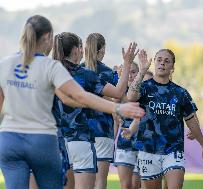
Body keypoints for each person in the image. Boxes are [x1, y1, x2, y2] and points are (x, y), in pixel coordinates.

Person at [0, 15, 144, 189]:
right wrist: (118, 107)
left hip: (9, 140)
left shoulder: (5, 64)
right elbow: (78, 97)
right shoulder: (51, 67)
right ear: (47, 38)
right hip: (42, 139)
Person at [52, 32, 138, 189]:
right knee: (99, 182)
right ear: (77, 50)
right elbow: (120, 92)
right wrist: (127, 64)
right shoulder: (85, 74)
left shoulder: (48, 71)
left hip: (56, 140)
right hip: (82, 138)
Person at [126, 49, 203, 189]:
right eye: (159, 60)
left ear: (172, 67)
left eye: (167, 61)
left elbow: (192, 122)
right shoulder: (145, 88)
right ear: (154, 63)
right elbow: (130, 97)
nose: (162, 63)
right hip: (148, 150)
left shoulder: (181, 93)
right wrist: (141, 71)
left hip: (173, 150)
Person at [84, 33, 133, 189]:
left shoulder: (77, 70)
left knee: (82, 179)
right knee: (100, 180)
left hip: (80, 130)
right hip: (103, 130)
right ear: (103, 49)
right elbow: (123, 94)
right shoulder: (107, 73)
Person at [114, 62, 145, 189]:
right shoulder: (119, 92)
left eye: (134, 72)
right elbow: (113, 111)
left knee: (134, 185)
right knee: (126, 186)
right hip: (124, 143)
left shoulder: (144, 91)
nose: (131, 75)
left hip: (141, 144)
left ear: (138, 74)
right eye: (128, 72)